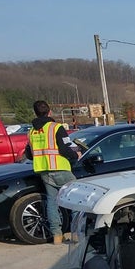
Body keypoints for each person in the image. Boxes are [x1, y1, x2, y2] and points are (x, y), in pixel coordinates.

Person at [24, 100, 80, 244]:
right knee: (76, 200)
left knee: (52, 202)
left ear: (35, 113)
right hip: (61, 168)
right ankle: (76, 234)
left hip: (44, 171)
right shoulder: (56, 127)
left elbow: (29, 154)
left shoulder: (31, 132)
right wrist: (77, 155)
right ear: (49, 112)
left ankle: (56, 236)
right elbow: (65, 148)